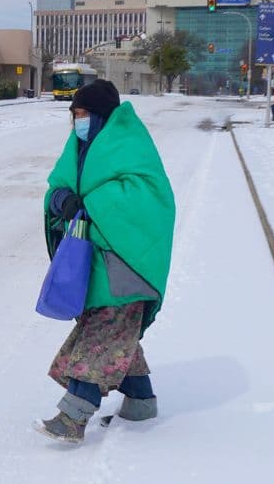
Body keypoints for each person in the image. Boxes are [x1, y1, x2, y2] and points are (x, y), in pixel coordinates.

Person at [37, 79, 176, 444]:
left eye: (82, 114)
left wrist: (89, 206)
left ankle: (73, 416)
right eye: (74, 115)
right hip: (94, 265)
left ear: (100, 115)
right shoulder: (80, 146)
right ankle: (141, 401)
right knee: (117, 335)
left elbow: (145, 200)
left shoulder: (130, 146)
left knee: (101, 337)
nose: (77, 122)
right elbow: (59, 187)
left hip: (126, 266)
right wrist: (62, 201)